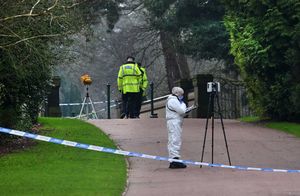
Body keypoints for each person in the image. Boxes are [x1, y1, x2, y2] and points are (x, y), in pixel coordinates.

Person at [166, 87, 196, 169]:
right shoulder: (173, 101)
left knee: (173, 139)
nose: (182, 96)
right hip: (174, 122)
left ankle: (173, 159)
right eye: (181, 94)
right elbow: (182, 111)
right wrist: (183, 104)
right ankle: (175, 160)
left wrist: (189, 108)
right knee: (175, 140)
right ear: (176, 93)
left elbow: (182, 112)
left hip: (175, 121)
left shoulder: (174, 100)